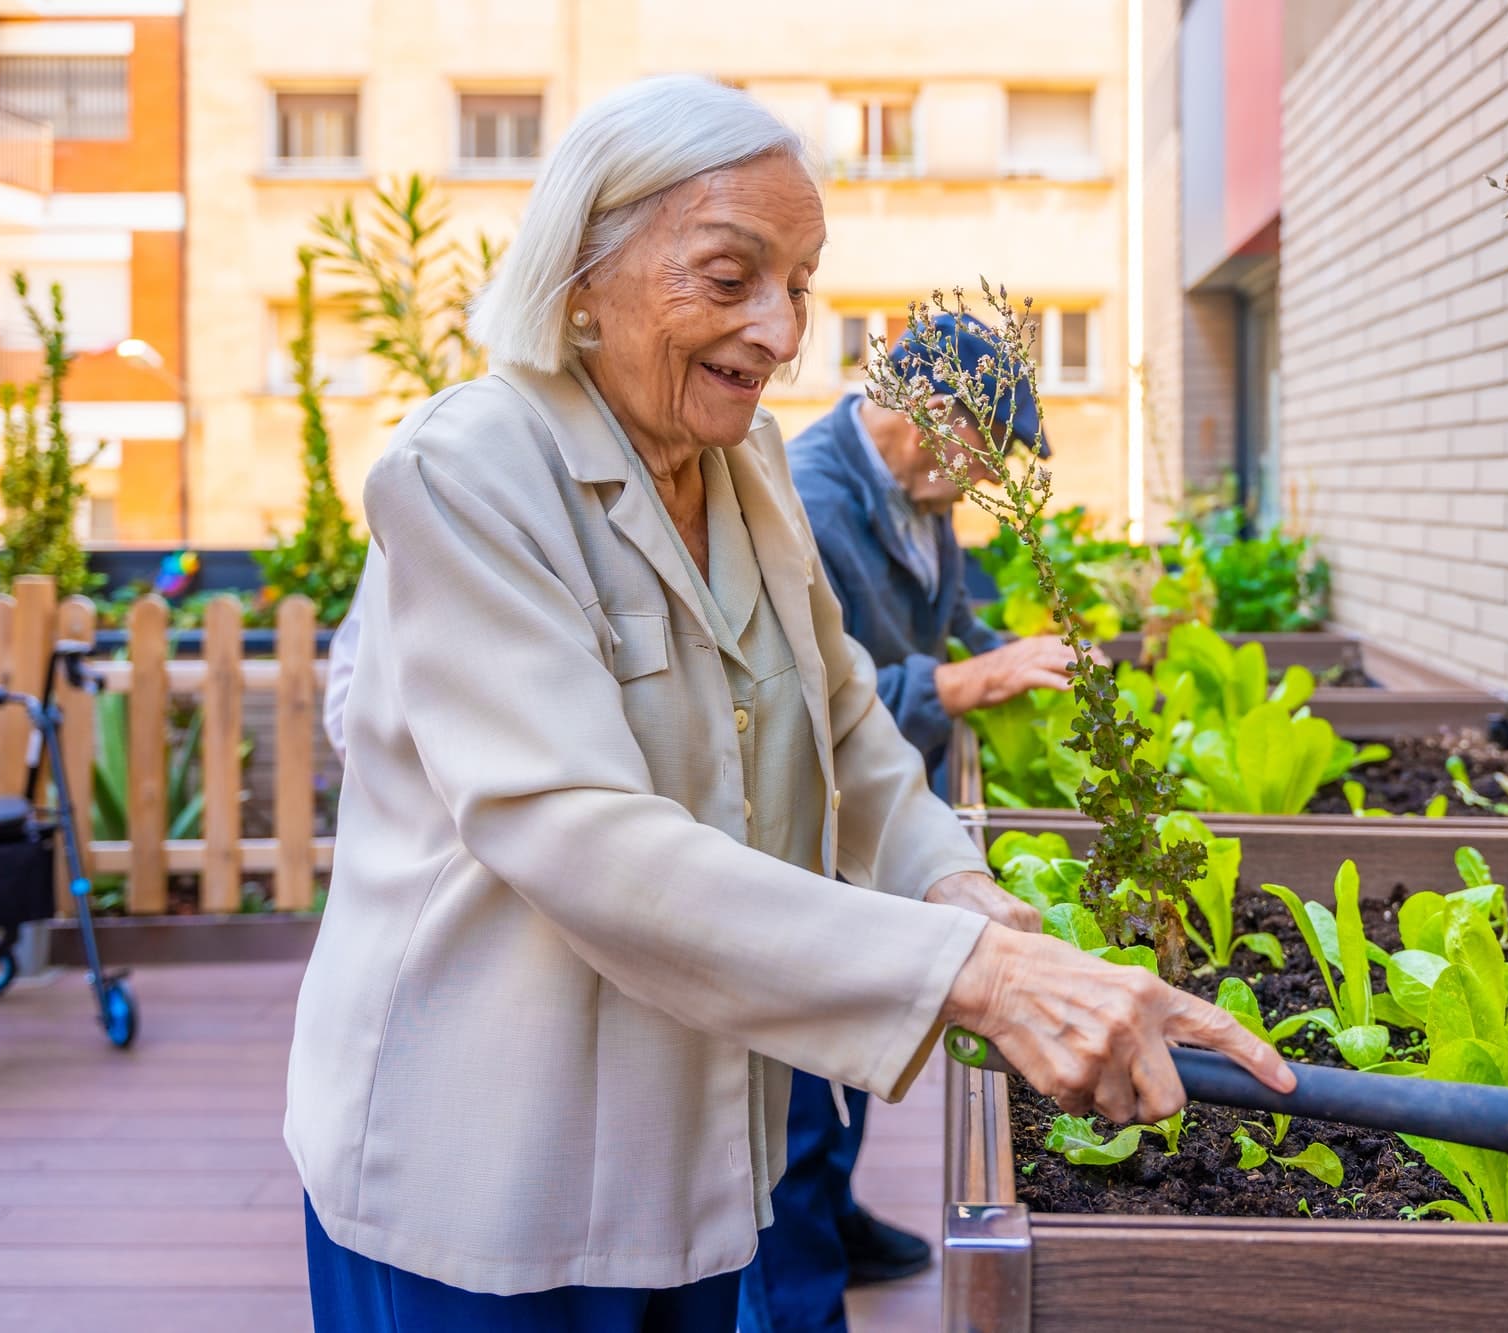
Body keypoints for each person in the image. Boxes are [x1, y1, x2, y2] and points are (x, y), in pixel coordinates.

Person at [286, 74, 1290, 1333]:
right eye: (728, 276)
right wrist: (977, 977)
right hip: (489, 1171)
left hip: (696, 1153)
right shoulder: (466, 472)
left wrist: (962, 893)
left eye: (800, 283)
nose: (780, 329)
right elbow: (577, 833)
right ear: (581, 272)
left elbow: (847, 727)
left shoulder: (742, 458)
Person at [736, 319, 1080, 1333]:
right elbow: (809, 702)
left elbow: (944, 624)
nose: (994, 473)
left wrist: (1007, 647)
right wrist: (970, 679)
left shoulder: (916, 497)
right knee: (795, 1091)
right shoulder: (806, 497)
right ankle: (794, 1302)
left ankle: (833, 1220)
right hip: (805, 833)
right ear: (930, 417)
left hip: (879, 822)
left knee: (845, 1057)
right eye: (991, 445)